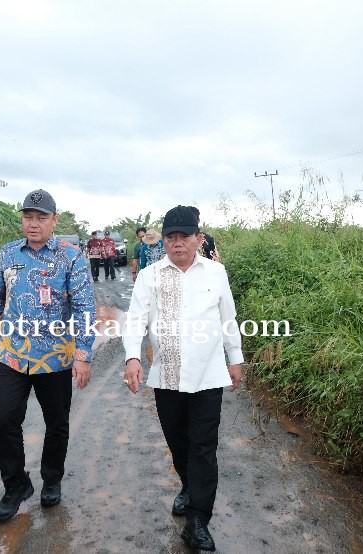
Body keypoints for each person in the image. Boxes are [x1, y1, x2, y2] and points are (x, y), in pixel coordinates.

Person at [122, 205, 243, 552]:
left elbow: (228, 318)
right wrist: (132, 356)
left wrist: (235, 358)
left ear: (198, 239)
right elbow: (135, 321)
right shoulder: (151, 276)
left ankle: (198, 520)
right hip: (167, 377)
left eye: (184, 236)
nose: (177, 243)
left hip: (208, 376)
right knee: (180, 444)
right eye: (171, 237)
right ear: (163, 241)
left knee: (204, 446)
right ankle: (189, 487)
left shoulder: (216, 273)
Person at [0, 188, 96, 522]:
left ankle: (51, 479)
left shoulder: (71, 256)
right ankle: (15, 486)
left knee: (57, 423)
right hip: (12, 354)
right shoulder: (8, 253)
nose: (34, 223)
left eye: (41, 217)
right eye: (28, 217)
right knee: (6, 418)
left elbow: (84, 306)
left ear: (54, 220)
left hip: (55, 357)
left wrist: (83, 355)